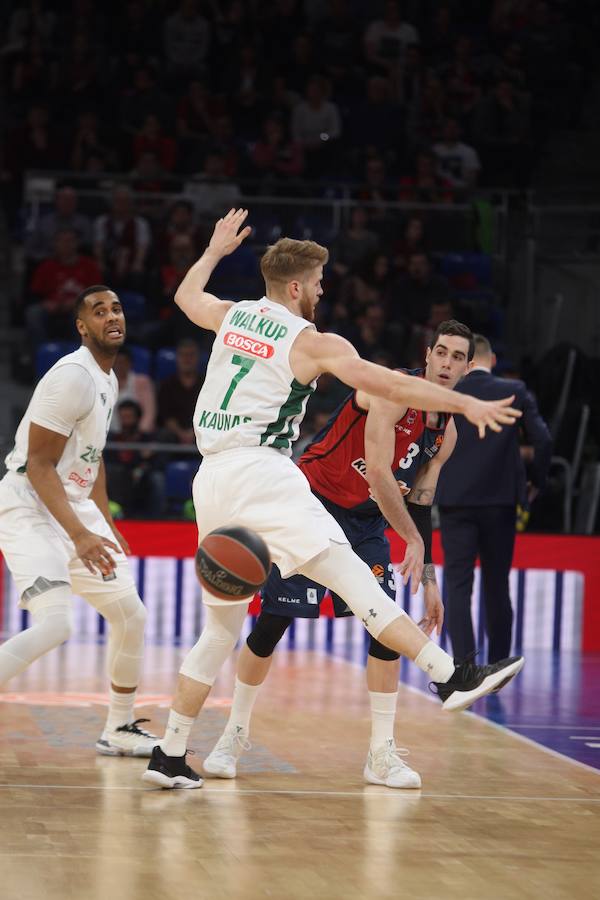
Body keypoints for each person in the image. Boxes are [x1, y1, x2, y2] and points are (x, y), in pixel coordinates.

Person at [142, 209, 523, 790]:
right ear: (296, 288)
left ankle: (169, 755)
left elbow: (186, 294)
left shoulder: (233, 315)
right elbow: (390, 385)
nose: (323, 291)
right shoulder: (312, 341)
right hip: (265, 474)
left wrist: (217, 249)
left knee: (218, 630)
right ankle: (450, 677)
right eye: (319, 282)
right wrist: (465, 404)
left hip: (211, 479)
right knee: (357, 583)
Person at [203, 319, 475, 789]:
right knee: (271, 624)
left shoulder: (445, 435)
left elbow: (421, 503)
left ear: (467, 368)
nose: (448, 363)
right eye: (442, 353)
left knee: (385, 630)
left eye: (458, 357)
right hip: (312, 501)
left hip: (368, 521)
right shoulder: (392, 389)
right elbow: (380, 477)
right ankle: (234, 733)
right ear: (427, 355)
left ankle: (381, 754)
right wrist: (409, 538)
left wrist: (429, 579)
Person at [0, 285, 157, 756]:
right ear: (82, 326)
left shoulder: (107, 379)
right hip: (30, 506)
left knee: (132, 616)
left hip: (74, 508)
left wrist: (104, 523)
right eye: (98, 310)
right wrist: (81, 534)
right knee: (56, 625)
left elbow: (93, 456)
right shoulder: (72, 377)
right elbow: (39, 466)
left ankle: (119, 727)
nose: (112, 316)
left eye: (117, 308)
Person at [436, 334, 552, 663]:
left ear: (467, 362)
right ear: (493, 361)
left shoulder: (448, 392)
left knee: (458, 586)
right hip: (500, 502)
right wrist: (535, 482)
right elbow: (543, 440)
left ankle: (465, 668)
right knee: (497, 585)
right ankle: (500, 664)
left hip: (454, 500)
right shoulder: (514, 391)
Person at [156, 339, 204, 446]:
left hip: (200, 433)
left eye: (191, 355)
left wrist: (193, 432)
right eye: (183, 355)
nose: (187, 359)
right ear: (177, 358)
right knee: (163, 436)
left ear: (198, 358)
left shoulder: (207, 383)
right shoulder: (167, 384)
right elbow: (166, 415)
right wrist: (181, 433)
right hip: (174, 436)